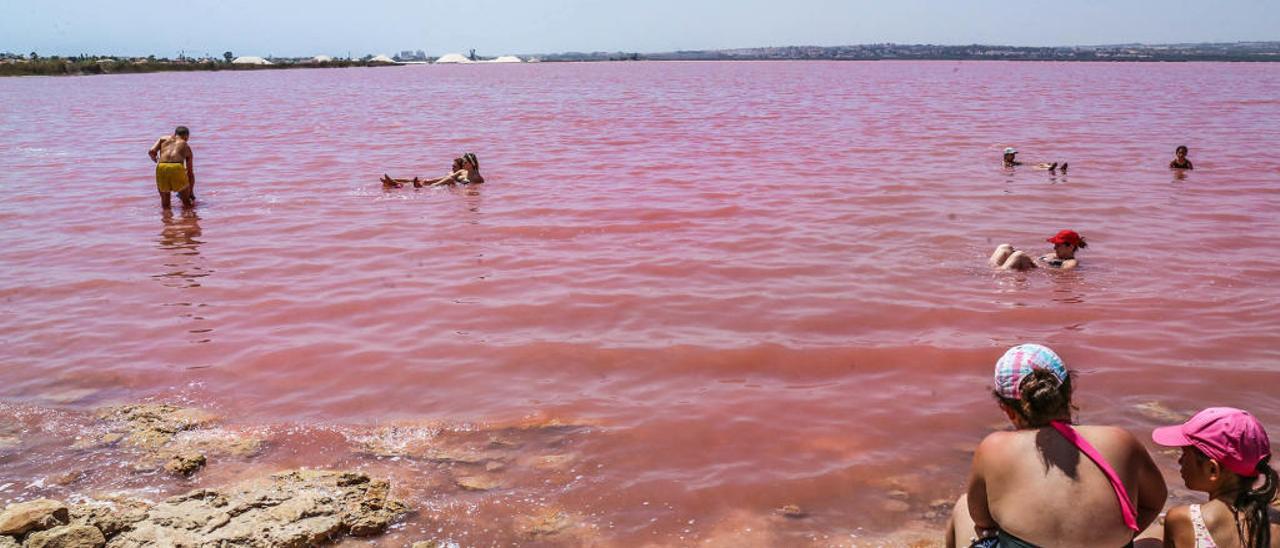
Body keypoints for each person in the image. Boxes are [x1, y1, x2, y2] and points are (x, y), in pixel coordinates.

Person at [947, 343, 1167, 548]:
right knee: (1159, 535)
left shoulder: (993, 448)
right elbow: (1154, 502)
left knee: (963, 508)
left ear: (1008, 410)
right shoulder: (1120, 440)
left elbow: (983, 521)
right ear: (1069, 392)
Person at [1152, 407, 1278, 548]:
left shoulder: (1185, 520)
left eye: (1185, 454)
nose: (1180, 461)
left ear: (1213, 470)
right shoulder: (1274, 522)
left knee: (1150, 539)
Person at [989, 230, 1087, 271]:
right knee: (1005, 247)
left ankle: (997, 273)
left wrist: (1028, 261)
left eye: (1058, 245)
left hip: (1035, 270)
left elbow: (1059, 274)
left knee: (1019, 255)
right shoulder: (1053, 254)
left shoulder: (1071, 262)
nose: (1054, 248)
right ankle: (990, 269)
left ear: (1070, 247)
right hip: (1032, 265)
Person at [148, 126, 195, 209]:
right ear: (186, 136)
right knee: (186, 202)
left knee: (165, 203)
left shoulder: (163, 139)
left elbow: (151, 151)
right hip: (177, 167)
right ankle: (188, 220)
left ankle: (167, 220)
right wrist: (190, 192)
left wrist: (156, 159)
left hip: (161, 166)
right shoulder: (186, 146)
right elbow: (190, 172)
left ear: (175, 134)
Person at [382, 153, 485, 188]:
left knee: (449, 179)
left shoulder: (478, 178)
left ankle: (396, 184)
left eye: (465, 162)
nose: (464, 164)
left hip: (453, 183)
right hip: (449, 181)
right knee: (426, 181)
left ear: (472, 164)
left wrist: (459, 181)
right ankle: (394, 181)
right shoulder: (463, 172)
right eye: (463, 162)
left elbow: (469, 187)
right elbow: (451, 176)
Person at [1003, 147, 1068, 173]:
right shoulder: (1005, 163)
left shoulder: (1012, 161)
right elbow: (1007, 168)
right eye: (1011, 155)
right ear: (1006, 155)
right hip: (1022, 168)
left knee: (1040, 164)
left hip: (1019, 165)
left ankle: (1059, 168)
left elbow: (1016, 164)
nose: (1014, 156)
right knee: (1034, 167)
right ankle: (1049, 169)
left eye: (1014, 154)